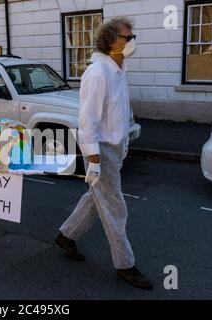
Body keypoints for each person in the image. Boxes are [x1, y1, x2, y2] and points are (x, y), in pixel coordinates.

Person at [55, 17, 152, 290]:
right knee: (115, 206)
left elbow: (119, 111)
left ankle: (66, 235)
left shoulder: (120, 67)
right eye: (127, 37)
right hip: (102, 150)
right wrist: (94, 161)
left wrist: (125, 142)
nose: (132, 41)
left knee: (96, 198)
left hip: (115, 147)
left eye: (133, 36)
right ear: (110, 41)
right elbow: (87, 122)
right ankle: (125, 264)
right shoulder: (98, 72)